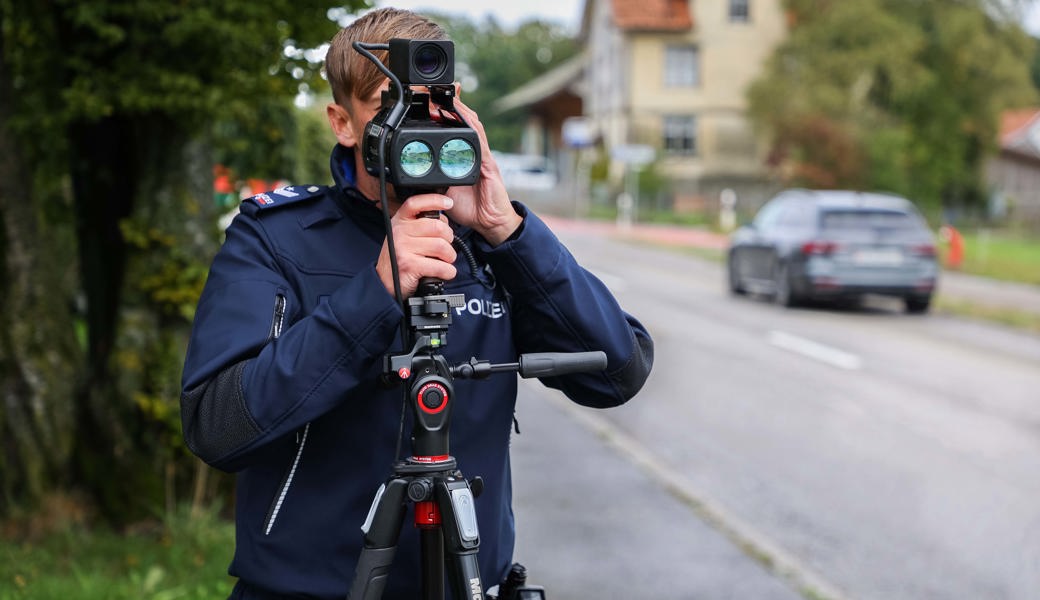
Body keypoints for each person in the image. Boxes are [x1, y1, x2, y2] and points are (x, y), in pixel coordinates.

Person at [180, 7, 653, 599]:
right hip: (310, 588)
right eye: (389, 104)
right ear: (343, 122)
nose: (418, 123)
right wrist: (374, 293)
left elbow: (618, 371)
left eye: (438, 103)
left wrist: (508, 232)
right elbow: (217, 426)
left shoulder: (490, 246)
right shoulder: (277, 239)